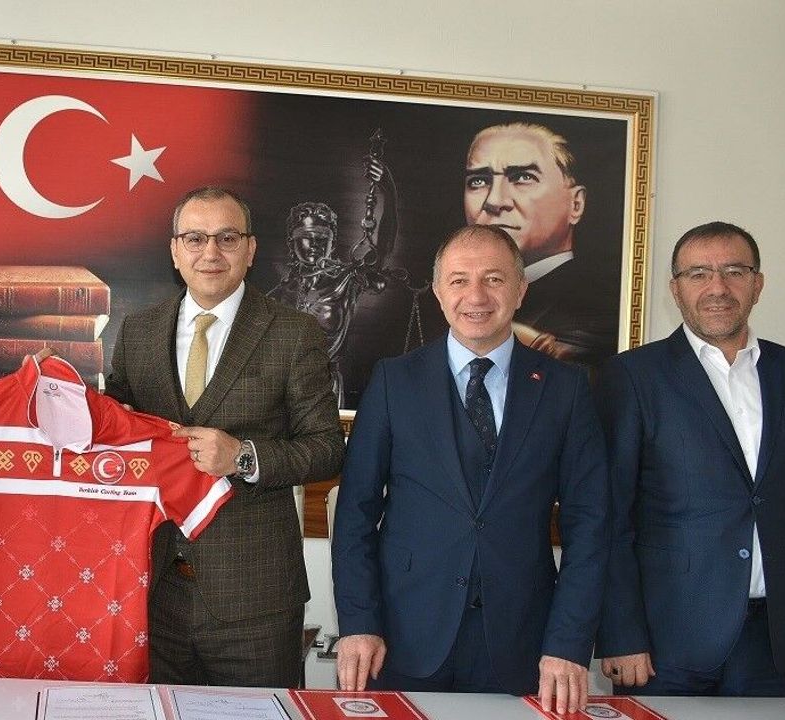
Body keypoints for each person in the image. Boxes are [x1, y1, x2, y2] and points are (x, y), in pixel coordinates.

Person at [332, 225, 609, 714]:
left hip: (524, 643)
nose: (476, 296)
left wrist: (568, 643)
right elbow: (355, 513)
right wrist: (359, 623)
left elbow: (590, 524)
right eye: (459, 280)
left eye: (494, 279)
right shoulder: (394, 381)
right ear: (439, 292)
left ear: (521, 290)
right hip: (403, 636)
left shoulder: (565, 388)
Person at [105, 186, 345, 687]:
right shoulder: (138, 332)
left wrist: (244, 457)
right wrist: (54, 393)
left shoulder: (294, 333)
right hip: (152, 590)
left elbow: (326, 448)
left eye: (227, 238)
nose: (210, 252)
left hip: (255, 602)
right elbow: (115, 430)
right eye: (195, 238)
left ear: (250, 249)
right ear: (175, 251)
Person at [596, 221, 785, 697]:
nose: (717, 287)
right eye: (698, 274)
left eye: (734, 271)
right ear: (675, 289)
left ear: (757, 284)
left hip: (782, 644)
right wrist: (621, 634)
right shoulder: (632, 376)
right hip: (665, 646)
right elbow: (610, 517)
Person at [464, 122, 618, 366]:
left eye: (523, 177)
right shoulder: (446, 302)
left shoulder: (596, 314)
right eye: (479, 181)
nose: (494, 200)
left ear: (576, 204)